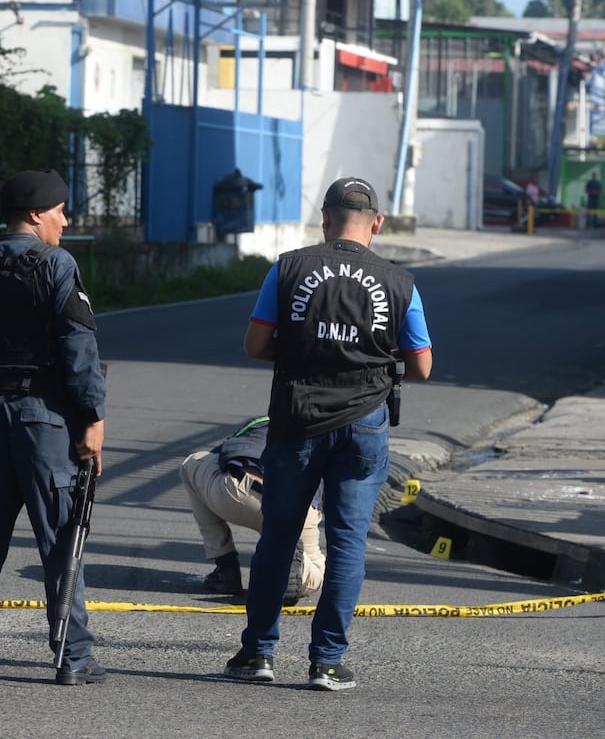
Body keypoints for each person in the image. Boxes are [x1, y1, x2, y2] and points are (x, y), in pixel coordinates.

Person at [222, 176, 432, 692]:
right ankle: (327, 662)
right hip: (365, 422)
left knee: (278, 537)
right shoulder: (400, 282)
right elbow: (422, 365)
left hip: (298, 418)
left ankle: (258, 653)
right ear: (377, 224)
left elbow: (255, 344)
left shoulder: (288, 268)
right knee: (347, 542)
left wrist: (303, 350)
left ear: (324, 219)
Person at [0, 169, 107, 686]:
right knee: (61, 538)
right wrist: (93, 417)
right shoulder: (56, 265)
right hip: (45, 420)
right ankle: (73, 657)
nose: (65, 221)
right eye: (59, 211)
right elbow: (79, 349)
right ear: (35, 214)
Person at [179, 415, 325, 605]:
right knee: (316, 575)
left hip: (245, 489)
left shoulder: (260, 423)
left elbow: (221, 457)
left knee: (192, 463)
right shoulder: (327, 435)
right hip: (301, 506)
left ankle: (225, 569)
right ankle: (297, 566)